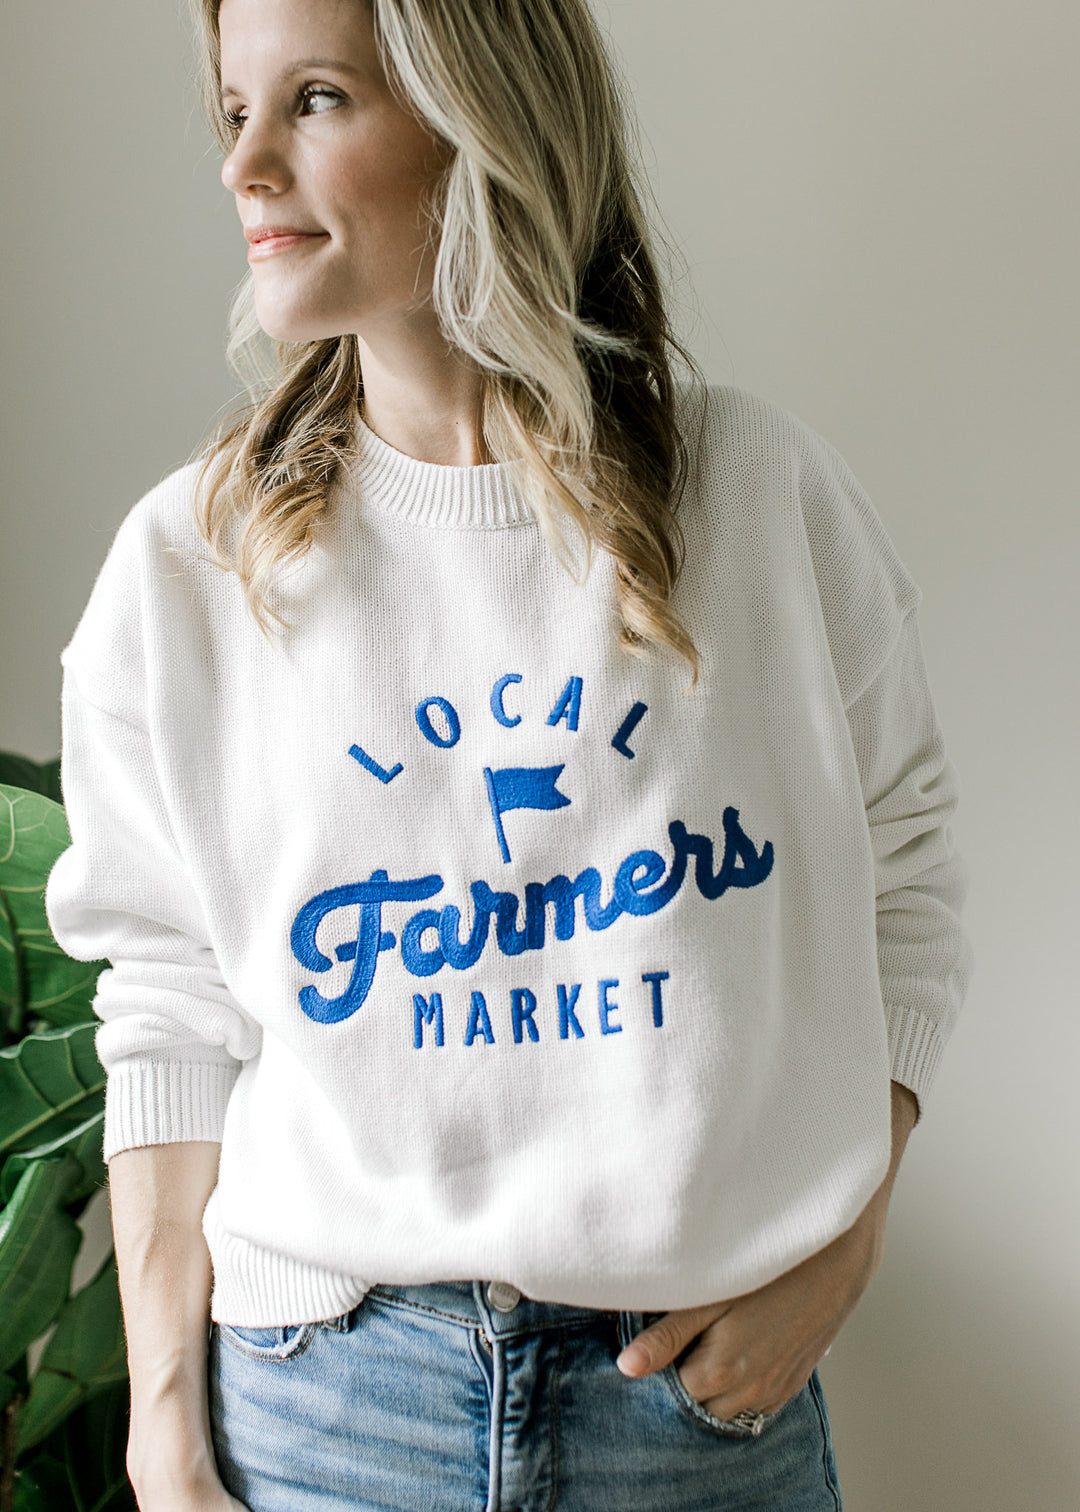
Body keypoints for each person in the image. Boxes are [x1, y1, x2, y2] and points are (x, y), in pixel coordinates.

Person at [44, 0, 974, 1507]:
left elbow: (908, 872)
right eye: (233, 113)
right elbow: (167, 1008)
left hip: (699, 1419)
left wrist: (842, 1242)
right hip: (329, 1411)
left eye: (317, 100)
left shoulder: (755, 497)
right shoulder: (189, 571)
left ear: (482, 121)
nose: (244, 167)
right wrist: (163, 1432)